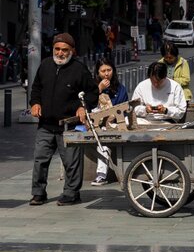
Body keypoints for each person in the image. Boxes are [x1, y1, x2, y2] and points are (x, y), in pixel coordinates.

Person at [29, 32, 98, 206]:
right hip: (46, 125)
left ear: (72, 51)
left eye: (64, 50)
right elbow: (36, 88)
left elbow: (92, 92)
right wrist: (35, 103)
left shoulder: (79, 69)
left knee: (71, 162)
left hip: (69, 125)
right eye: (57, 49)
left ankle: (71, 193)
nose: (60, 53)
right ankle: (38, 193)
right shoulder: (45, 65)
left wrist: (83, 107)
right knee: (40, 160)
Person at [91, 58, 129, 186]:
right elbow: (88, 103)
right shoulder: (92, 87)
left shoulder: (120, 88)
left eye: (109, 70)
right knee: (103, 140)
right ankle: (101, 175)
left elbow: (124, 107)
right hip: (98, 124)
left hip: (116, 122)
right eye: (103, 71)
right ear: (97, 72)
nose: (106, 74)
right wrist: (99, 89)